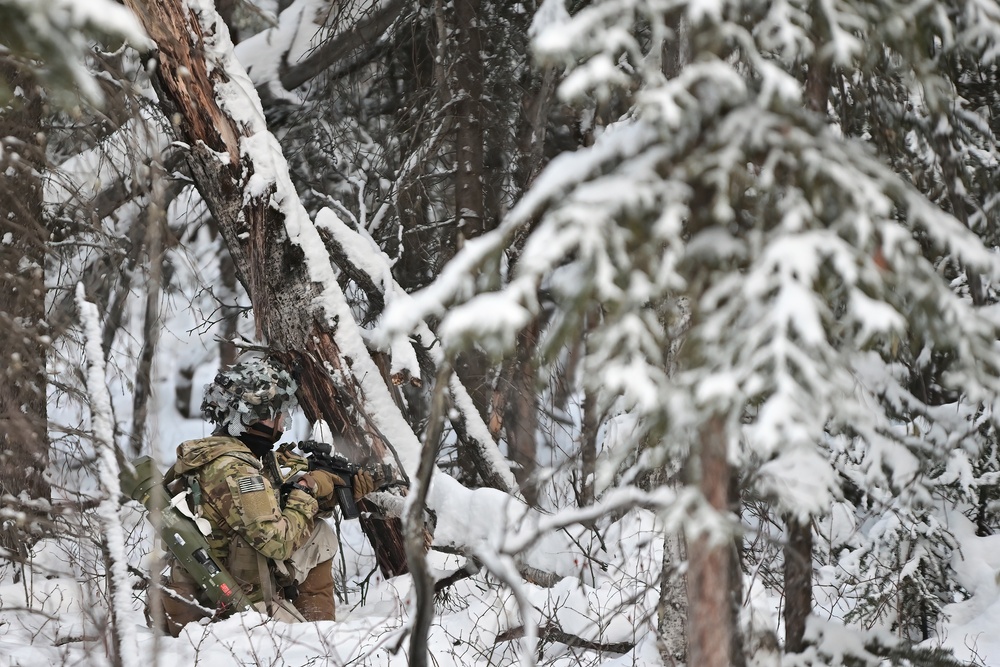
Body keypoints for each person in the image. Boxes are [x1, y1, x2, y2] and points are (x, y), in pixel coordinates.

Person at [151, 355, 375, 636]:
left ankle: (311, 624)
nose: (282, 425)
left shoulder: (216, 455)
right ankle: (319, 635)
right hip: (229, 604)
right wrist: (307, 489)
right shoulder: (238, 470)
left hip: (204, 590)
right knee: (322, 539)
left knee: (316, 531)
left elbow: (260, 511)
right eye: (276, 414)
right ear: (252, 416)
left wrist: (322, 495)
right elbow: (278, 543)